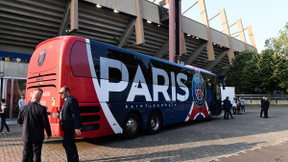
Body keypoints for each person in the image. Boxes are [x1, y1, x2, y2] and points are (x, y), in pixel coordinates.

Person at [17, 88, 51, 162]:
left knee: (26, 154)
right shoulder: (42, 109)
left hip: (26, 135)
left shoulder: (23, 108)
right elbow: (46, 123)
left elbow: (19, 121)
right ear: (40, 96)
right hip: (37, 135)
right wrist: (49, 133)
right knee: (37, 154)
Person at [58, 86, 82, 162]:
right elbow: (68, 113)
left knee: (66, 144)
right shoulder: (66, 100)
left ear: (67, 92)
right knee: (71, 143)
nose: (60, 94)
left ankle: (71, 160)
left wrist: (77, 127)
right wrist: (59, 115)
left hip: (69, 127)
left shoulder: (71, 100)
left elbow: (75, 114)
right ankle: (75, 159)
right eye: (59, 93)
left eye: (62, 92)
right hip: (67, 127)